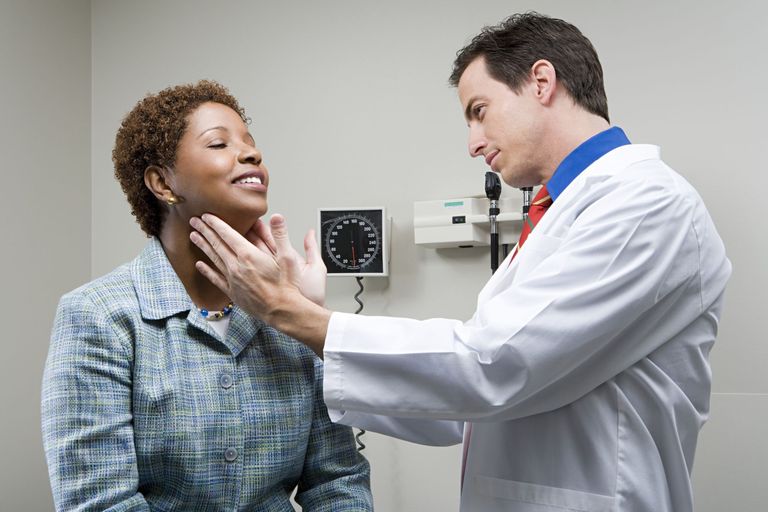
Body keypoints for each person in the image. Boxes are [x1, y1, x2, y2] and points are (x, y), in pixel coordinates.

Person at [189, 13, 731, 512]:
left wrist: (289, 313)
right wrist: (310, 320)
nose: (473, 144)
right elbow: (460, 404)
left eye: (479, 111)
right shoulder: (559, 216)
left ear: (542, 82)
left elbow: (490, 368)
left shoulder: (645, 203)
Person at [41, 80, 372, 511]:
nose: (252, 154)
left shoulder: (292, 313)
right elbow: (101, 502)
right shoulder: (98, 317)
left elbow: (338, 481)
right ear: (162, 183)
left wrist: (303, 310)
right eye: (219, 143)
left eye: (252, 145)